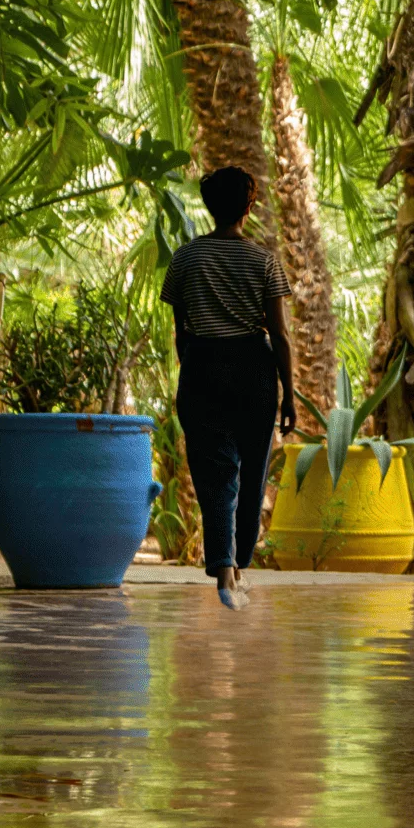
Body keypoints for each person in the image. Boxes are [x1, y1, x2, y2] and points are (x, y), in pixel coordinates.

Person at [159, 166, 298, 609]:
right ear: (249, 206)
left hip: (201, 367)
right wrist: (289, 392)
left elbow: (180, 329)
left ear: (209, 206)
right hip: (253, 370)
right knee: (252, 473)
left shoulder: (185, 259)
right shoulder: (264, 261)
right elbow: (279, 333)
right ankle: (235, 565)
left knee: (213, 472)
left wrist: (196, 365)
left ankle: (225, 569)